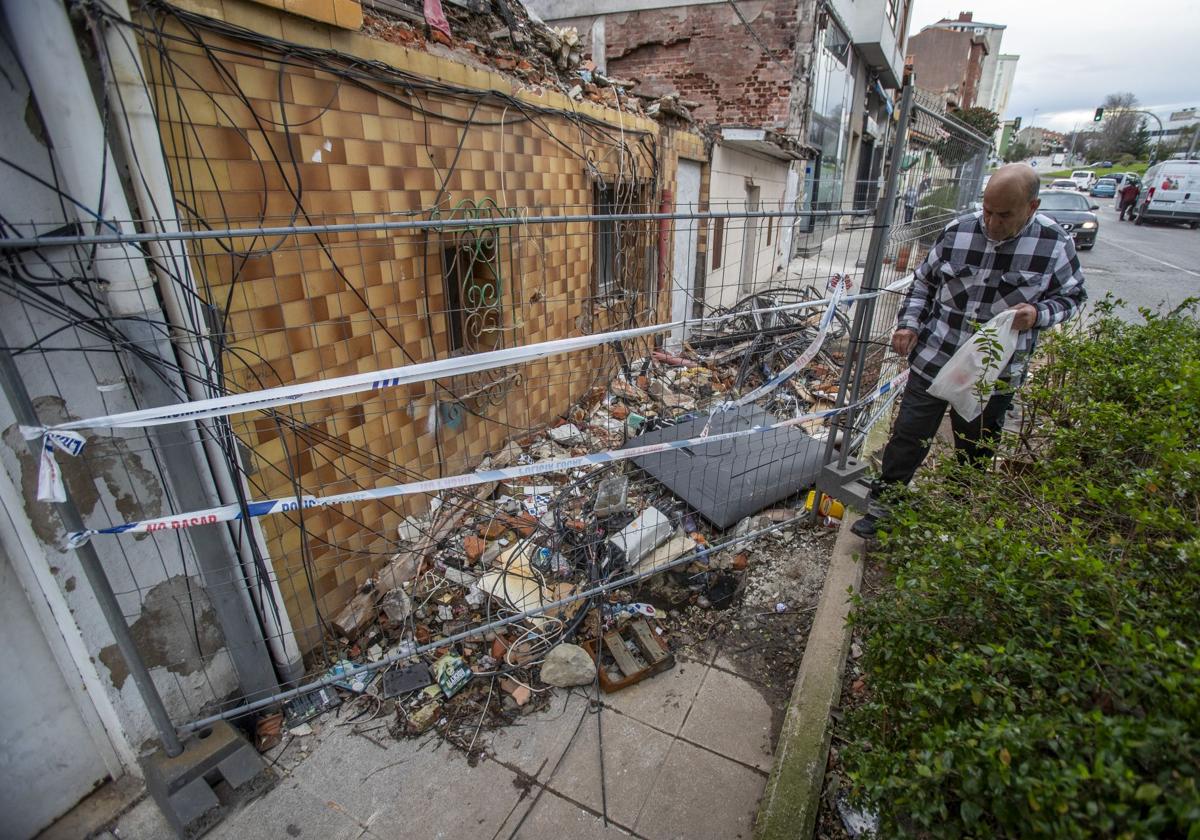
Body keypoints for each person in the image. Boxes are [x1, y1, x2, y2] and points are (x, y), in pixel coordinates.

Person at [851, 164, 1087, 538]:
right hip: (935, 357)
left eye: (1004, 214)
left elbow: (1073, 297)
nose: (992, 222)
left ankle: (955, 520)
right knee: (908, 435)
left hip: (993, 375)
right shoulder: (957, 231)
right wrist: (908, 323)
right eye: (988, 210)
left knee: (975, 446)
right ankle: (884, 507)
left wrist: (1039, 313)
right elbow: (922, 285)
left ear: (1032, 206)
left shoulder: (1054, 245)